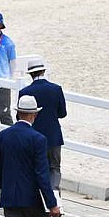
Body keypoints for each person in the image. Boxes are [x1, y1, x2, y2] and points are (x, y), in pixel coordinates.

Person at [18, 58, 67, 191]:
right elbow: (62, 113)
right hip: (53, 136)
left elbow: (20, 117)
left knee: (35, 168)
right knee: (54, 168)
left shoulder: (24, 92)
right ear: (44, 71)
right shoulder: (56, 89)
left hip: (32, 137)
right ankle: (55, 196)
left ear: (30, 74)